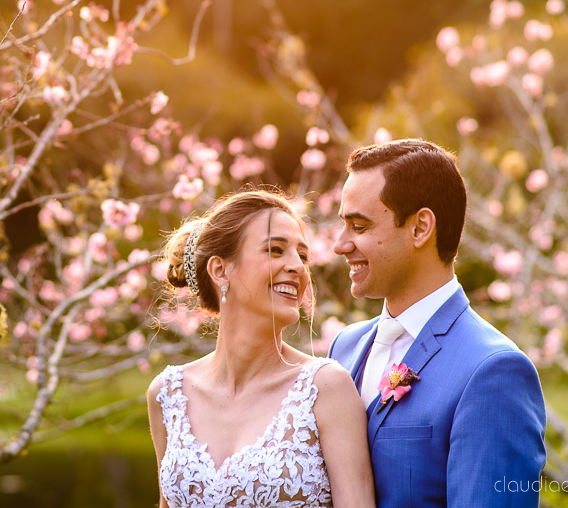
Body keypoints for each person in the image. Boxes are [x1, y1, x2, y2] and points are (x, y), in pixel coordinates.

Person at [328, 139, 547, 507]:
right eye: (343, 225)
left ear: (420, 228)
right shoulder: (343, 348)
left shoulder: (494, 372)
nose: (339, 244)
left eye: (359, 226)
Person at [147, 188, 376, 508]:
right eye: (275, 250)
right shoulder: (168, 394)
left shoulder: (326, 388)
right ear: (220, 270)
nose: (298, 267)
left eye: (303, 256)